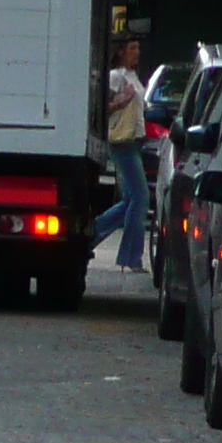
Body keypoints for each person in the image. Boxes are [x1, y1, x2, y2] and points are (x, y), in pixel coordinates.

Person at [92, 35, 148, 270]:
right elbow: (100, 106)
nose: (137, 52)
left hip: (134, 142)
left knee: (130, 200)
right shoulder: (116, 76)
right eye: (132, 48)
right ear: (121, 52)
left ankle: (92, 232)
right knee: (140, 196)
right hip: (122, 142)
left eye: (138, 48)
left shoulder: (132, 76)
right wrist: (123, 101)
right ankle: (131, 257)